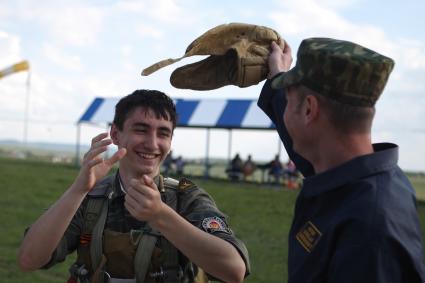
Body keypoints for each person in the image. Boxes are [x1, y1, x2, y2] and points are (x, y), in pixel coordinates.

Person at [18, 90, 250, 283]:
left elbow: (233, 270)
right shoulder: (92, 196)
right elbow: (30, 259)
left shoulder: (186, 197)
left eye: (163, 133)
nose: (152, 143)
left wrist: (160, 215)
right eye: (141, 129)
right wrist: (78, 190)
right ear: (116, 134)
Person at [258, 38, 425, 282]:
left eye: (289, 99)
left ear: (308, 109)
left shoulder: (369, 232)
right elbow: (313, 150)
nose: (285, 110)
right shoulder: (358, 177)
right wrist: (277, 78)